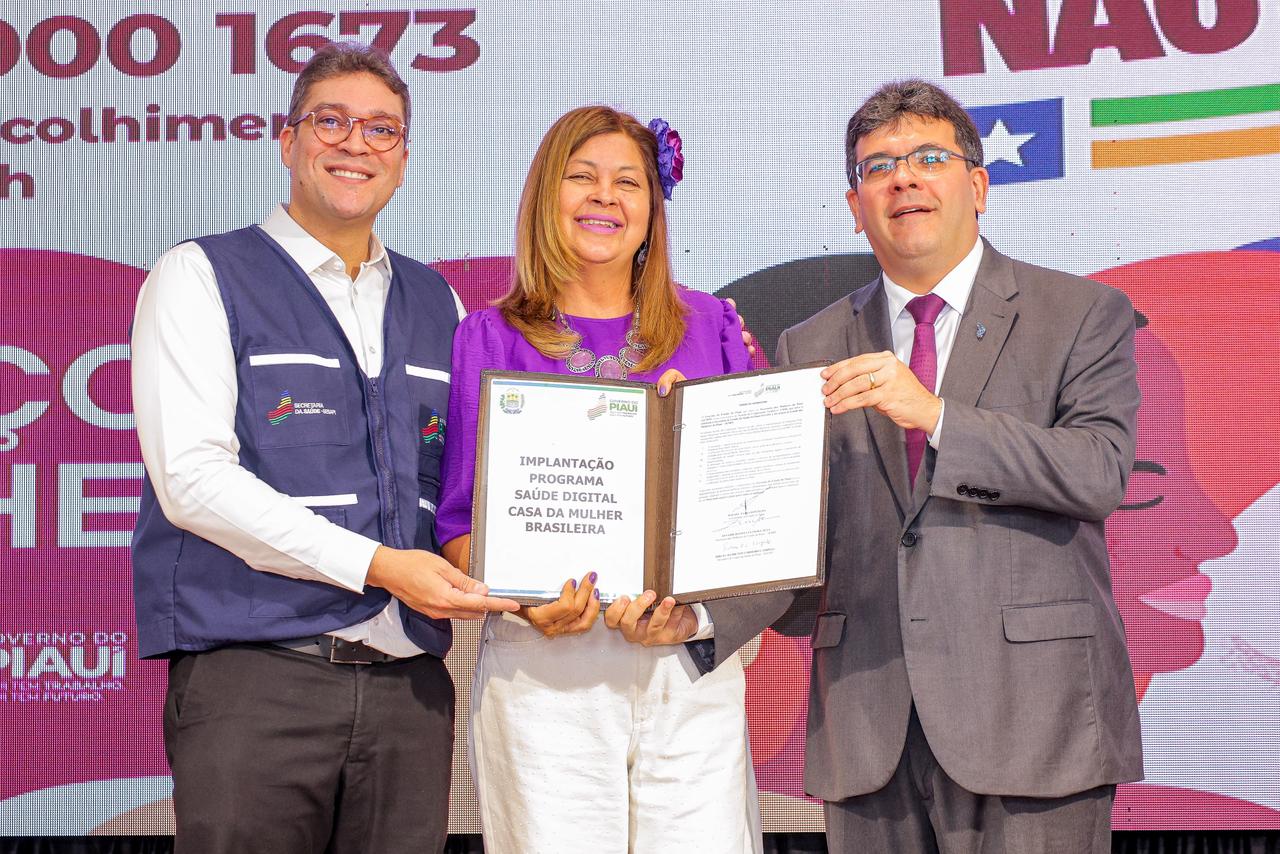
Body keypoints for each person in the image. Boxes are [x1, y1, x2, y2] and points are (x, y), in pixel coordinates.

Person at [704, 79, 1146, 852]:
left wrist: (936, 416)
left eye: (928, 159)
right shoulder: (809, 345)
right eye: (878, 167)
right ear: (855, 206)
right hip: (868, 722)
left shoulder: (1080, 313)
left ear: (978, 187)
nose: (903, 179)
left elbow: (1098, 470)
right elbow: (791, 539)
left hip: (1034, 721)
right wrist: (697, 617)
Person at [129, 42, 518, 854]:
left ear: (403, 160)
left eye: (381, 129)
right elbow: (192, 479)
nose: (354, 144)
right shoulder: (201, 275)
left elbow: (473, 485)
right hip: (255, 681)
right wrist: (379, 565)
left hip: (409, 691)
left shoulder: (439, 302)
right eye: (330, 121)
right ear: (288, 140)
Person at [434, 106, 762, 853]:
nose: (605, 197)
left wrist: (703, 615)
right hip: (547, 667)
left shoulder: (713, 327)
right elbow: (458, 526)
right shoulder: (488, 337)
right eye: (581, 177)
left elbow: (758, 506)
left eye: (628, 182)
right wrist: (523, 602)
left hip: (687, 659)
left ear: (654, 208)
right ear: (545, 196)